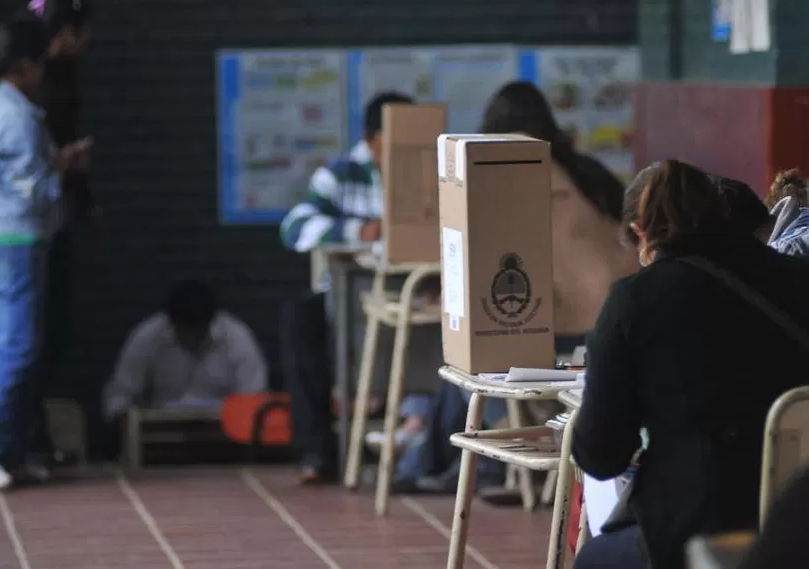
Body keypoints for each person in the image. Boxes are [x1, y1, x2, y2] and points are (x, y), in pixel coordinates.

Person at [391, 81, 637, 495]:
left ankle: (432, 465)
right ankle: (451, 465)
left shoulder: (504, 178)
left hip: (560, 333)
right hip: (617, 322)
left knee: (465, 366)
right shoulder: (586, 171)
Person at [572, 160, 809, 569]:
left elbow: (600, 455)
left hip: (700, 529)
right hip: (795, 524)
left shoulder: (635, 301)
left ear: (641, 233)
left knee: (595, 559)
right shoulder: (798, 277)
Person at [0, 17, 91, 490]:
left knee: (18, 348)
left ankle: (9, 450)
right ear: (25, 66)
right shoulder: (15, 115)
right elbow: (33, 194)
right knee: (16, 349)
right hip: (15, 243)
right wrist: (62, 170)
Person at [279, 91, 416, 485]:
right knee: (299, 321)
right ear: (373, 139)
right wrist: (362, 230)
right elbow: (295, 227)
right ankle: (318, 452)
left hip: (414, 295)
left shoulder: (432, 172)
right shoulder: (339, 175)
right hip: (347, 299)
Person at [17, 0, 95, 469]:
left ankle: (32, 439)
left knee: (39, 338)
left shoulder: (45, 83)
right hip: (29, 227)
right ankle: (24, 442)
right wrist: (68, 169)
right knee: (29, 340)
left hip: (44, 221)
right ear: (65, 34)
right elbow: (42, 169)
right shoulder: (33, 90)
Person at [102, 280, 268, 419]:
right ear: (170, 323)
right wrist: (129, 420)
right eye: (185, 331)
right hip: (160, 437)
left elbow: (254, 399)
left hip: (225, 435)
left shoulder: (237, 338)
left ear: (211, 322)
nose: (191, 339)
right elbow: (119, 396)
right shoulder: (148, 337)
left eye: (198, 331)